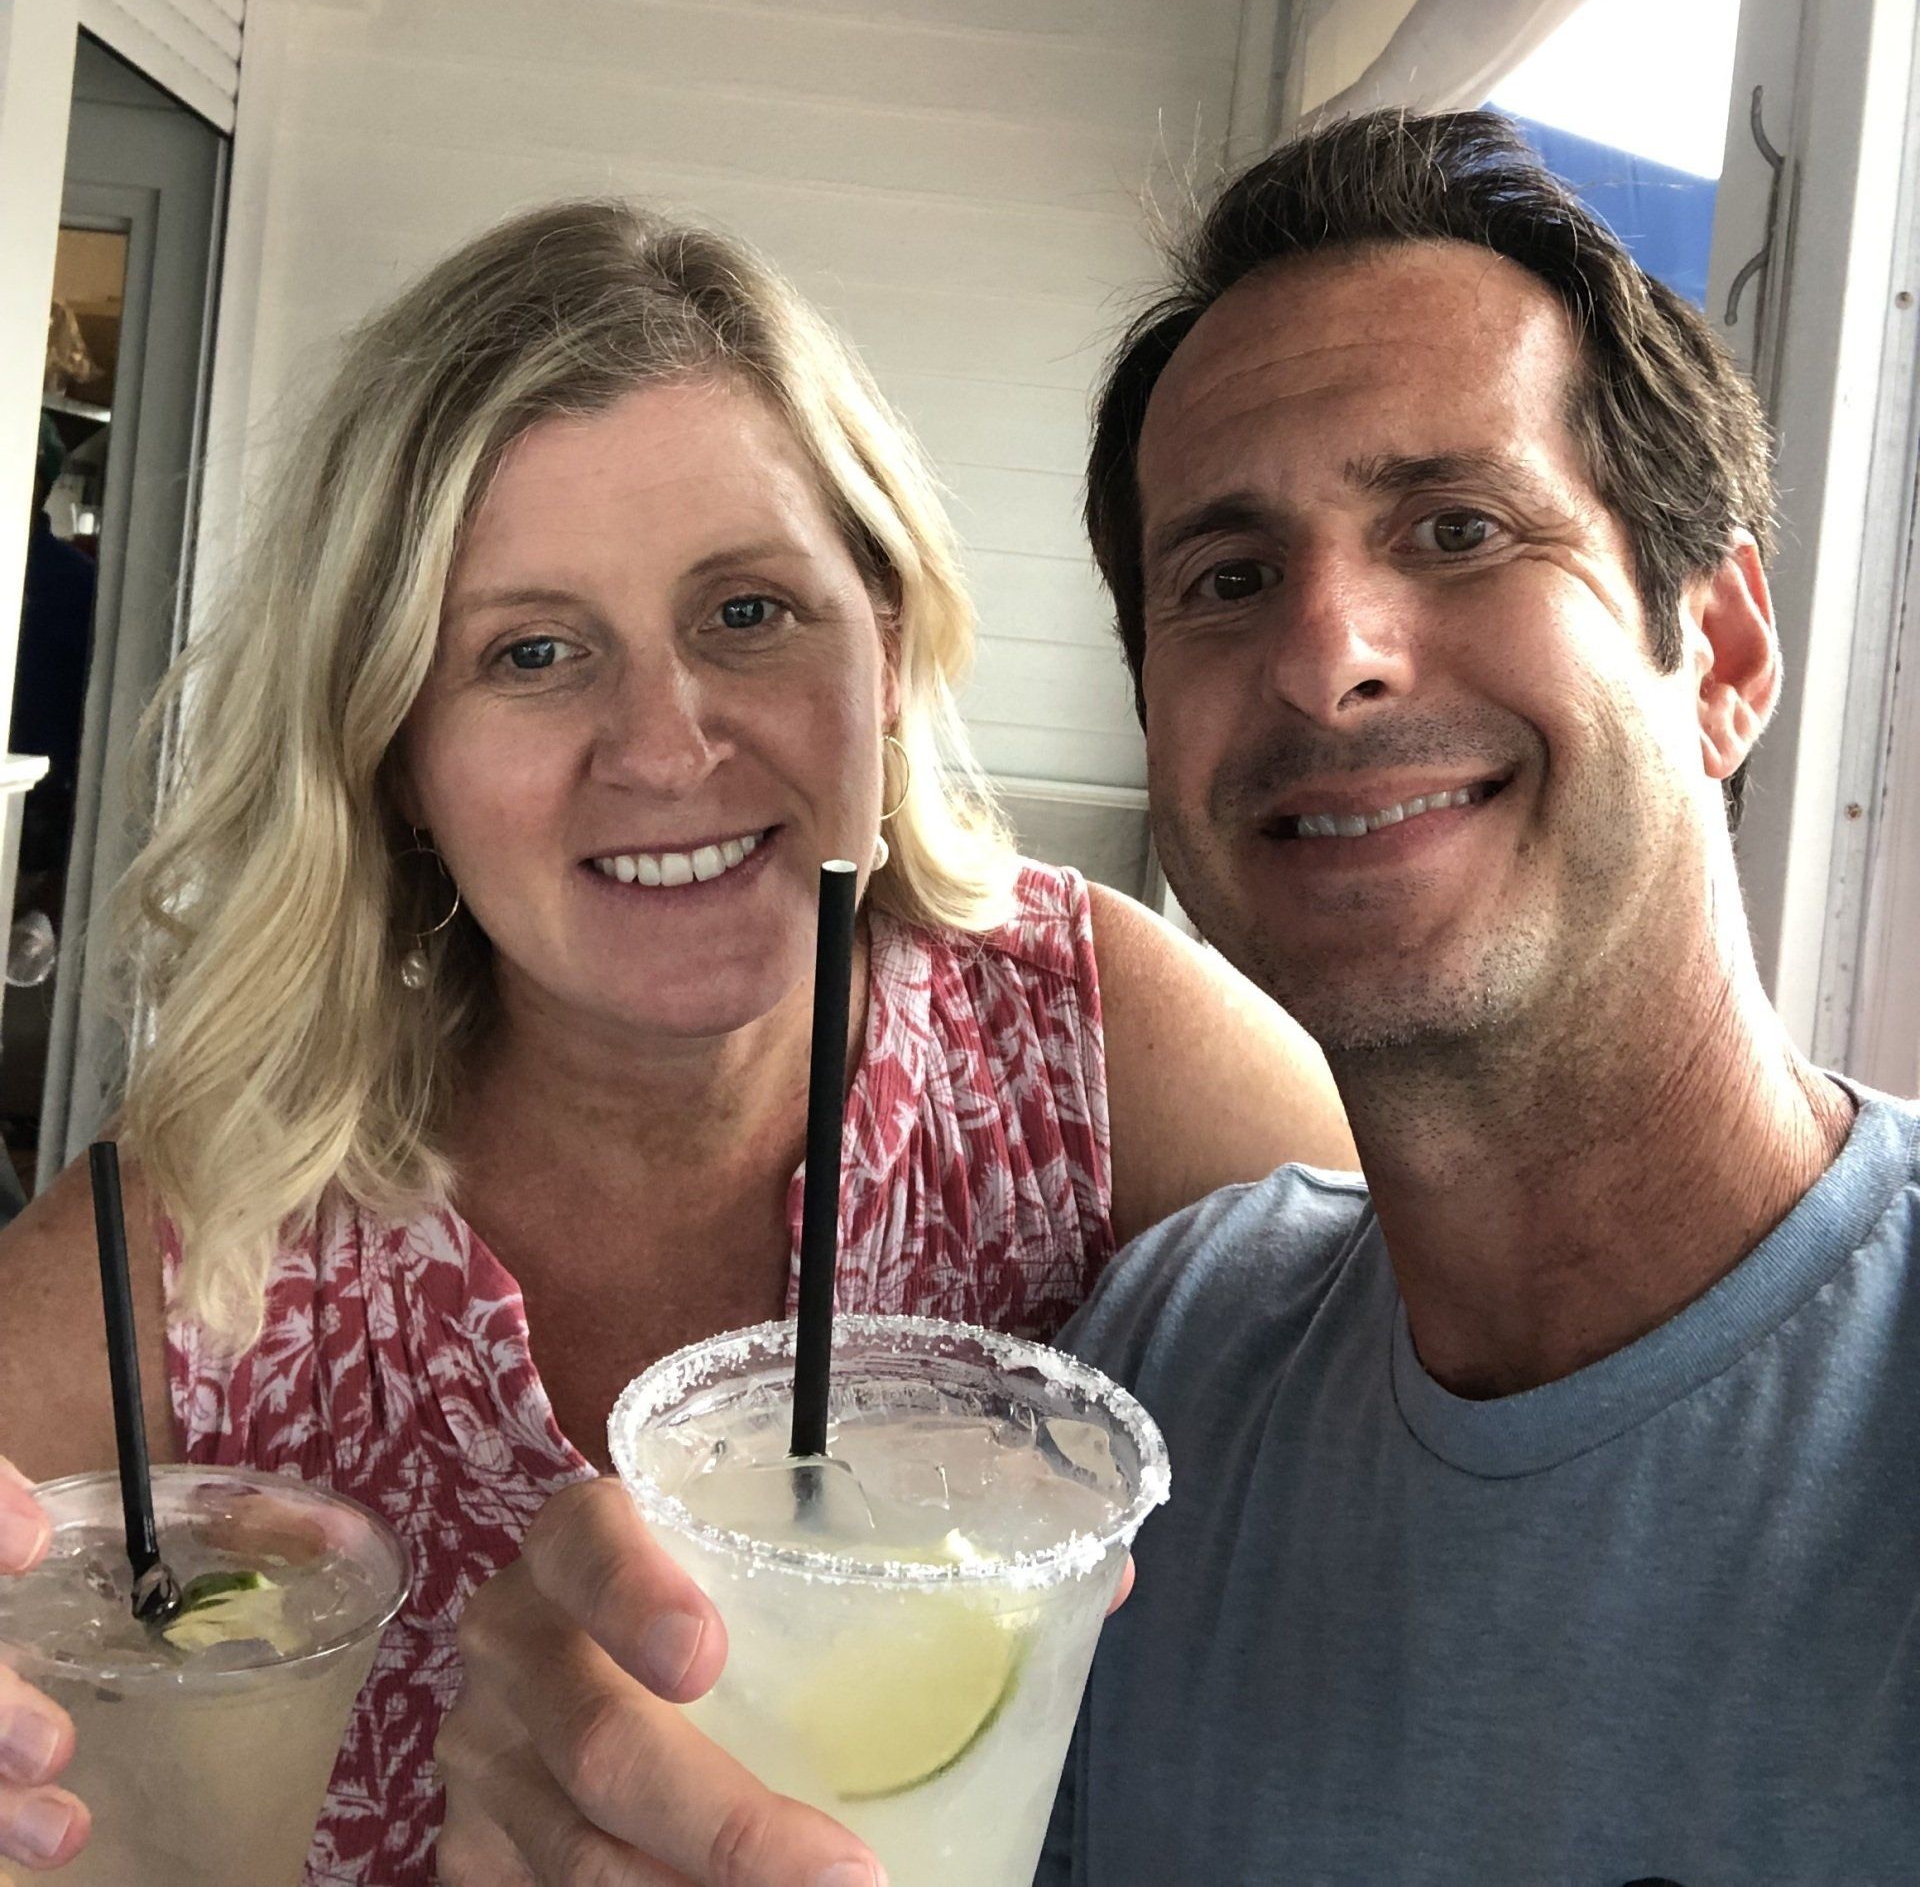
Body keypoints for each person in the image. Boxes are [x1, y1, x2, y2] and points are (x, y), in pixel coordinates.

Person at [429, 109, 1920, 1887]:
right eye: (1224, 579)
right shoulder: (1159, 1376)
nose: (1328, 650)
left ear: (1724, 653)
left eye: (1456, 526)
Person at [0, 199, 1351, 1884]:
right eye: (534, 652)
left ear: (890, 638)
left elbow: (1458, 1510)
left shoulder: (1097, 1055)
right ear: (391, 747)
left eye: (747, 613)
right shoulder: (198, 1249)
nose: (661, 746)